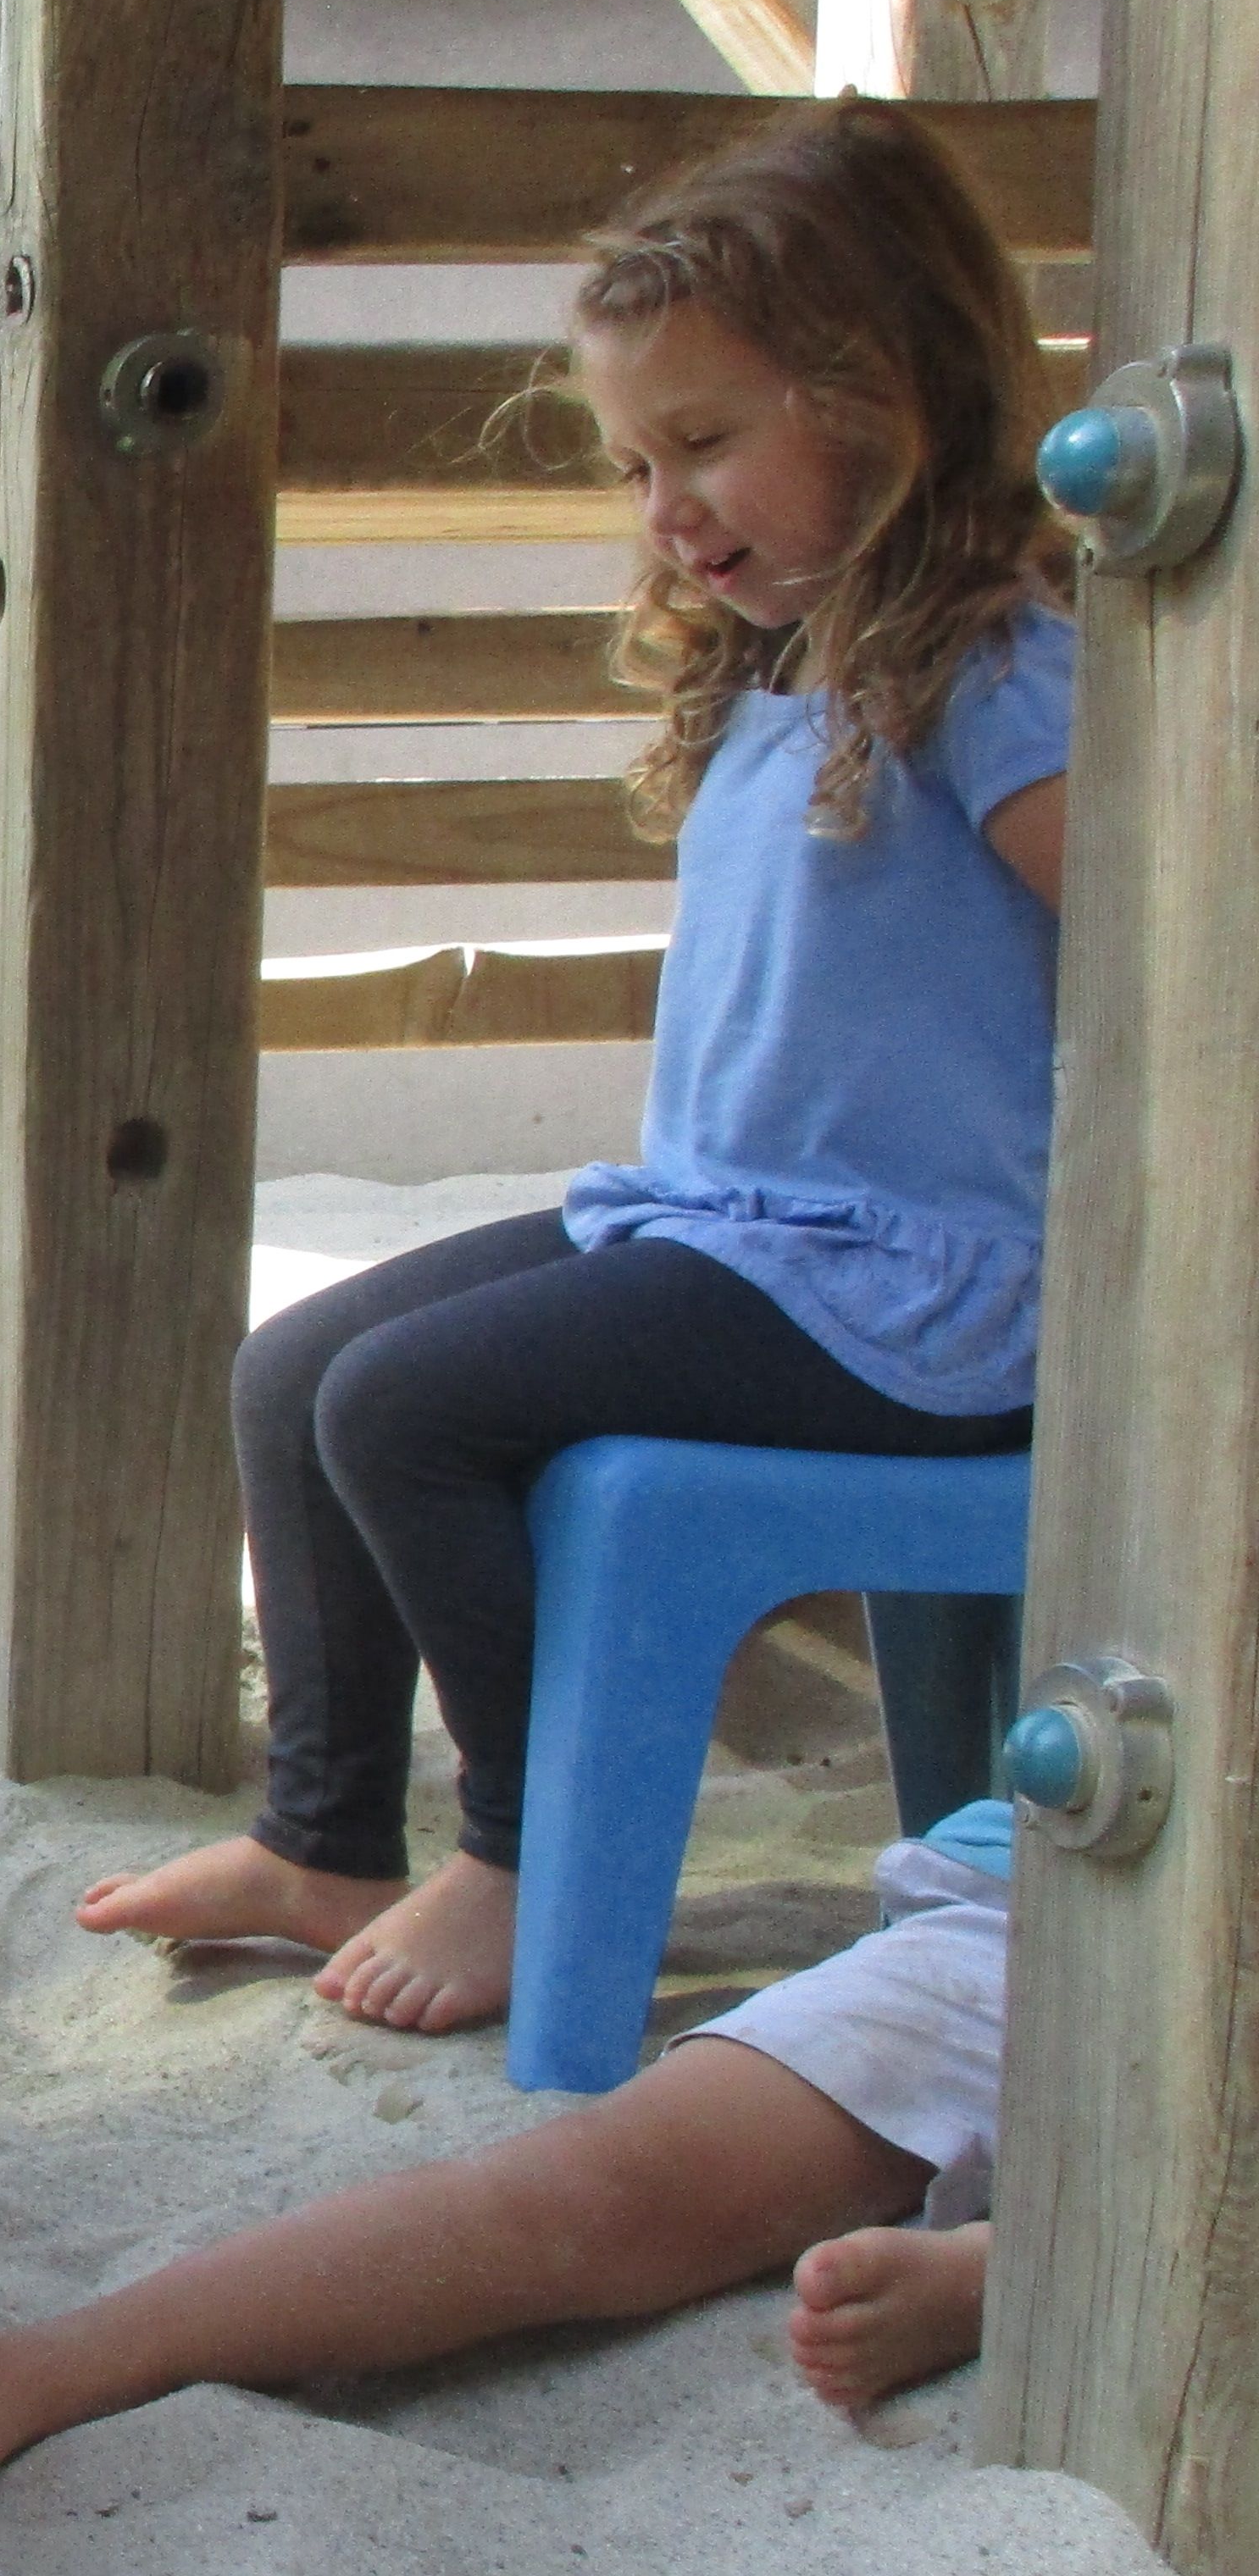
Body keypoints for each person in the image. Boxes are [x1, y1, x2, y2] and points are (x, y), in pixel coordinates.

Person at [79, 97, 1075, 2037]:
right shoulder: (794, 660)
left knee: (406, 1409)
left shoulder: (994, 666)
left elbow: (1152, 956)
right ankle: (323, 1833)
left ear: (889, 389)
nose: (663, 509)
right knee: (290, 1376)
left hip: (913, 1294)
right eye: (633, 465)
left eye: (702, 442)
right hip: (730, 1231)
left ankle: (527, 1856)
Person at [0, 1801, 1014, 2476]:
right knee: (584, 2191)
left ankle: (1005, 2275)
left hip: (1112, 1959)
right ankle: (87, 2355)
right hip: (1021, 1910)